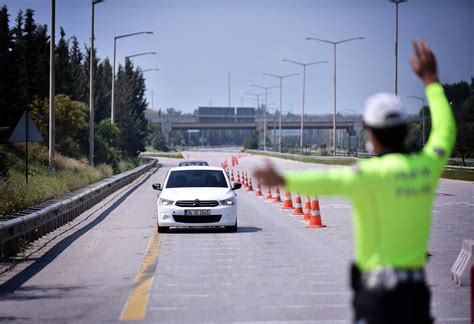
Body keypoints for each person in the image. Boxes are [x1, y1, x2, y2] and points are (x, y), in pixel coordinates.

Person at [253, 40, 456, 323]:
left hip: (378, 296)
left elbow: (326, 181)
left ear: (370, 135)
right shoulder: (427, 166)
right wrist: (432, 82)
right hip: (415, 296)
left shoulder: (369, 175)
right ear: (407, 130)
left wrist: (282, 179)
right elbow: (445, 132)